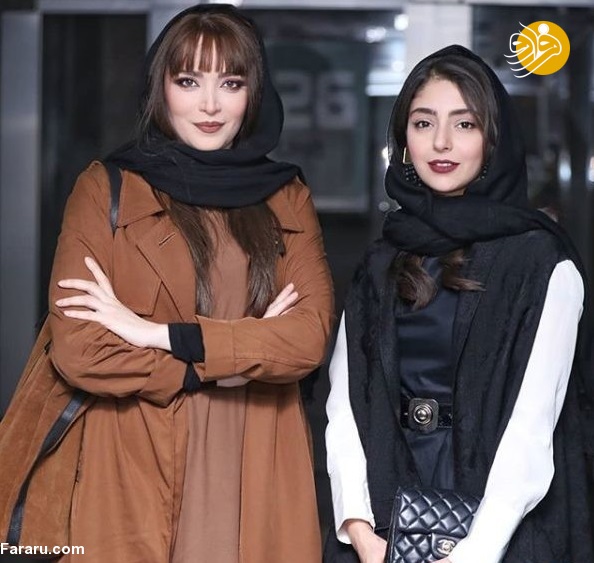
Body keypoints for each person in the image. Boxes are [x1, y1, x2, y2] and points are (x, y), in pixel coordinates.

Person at [45, 4, 334, 562]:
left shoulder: (286, 195)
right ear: (161, 88)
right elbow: (79, 351)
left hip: (258, 452)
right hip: (134, 456)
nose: (209, 105)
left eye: (231, 83)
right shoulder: (106, 189)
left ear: (253, 93)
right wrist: (228, 360)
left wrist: (159, 335)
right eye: (188, 81)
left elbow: (306, 340)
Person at [324, 44, 593, 563]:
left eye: (465, 124)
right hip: (383, 519)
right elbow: (347, 404)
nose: (441, 142)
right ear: (403, 140)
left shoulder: (541, 261)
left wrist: (476, 550)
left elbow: (532, 425)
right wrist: (357, 524)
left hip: (503, 526)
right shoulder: (382, 259)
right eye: (423, 123)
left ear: (493, 139)